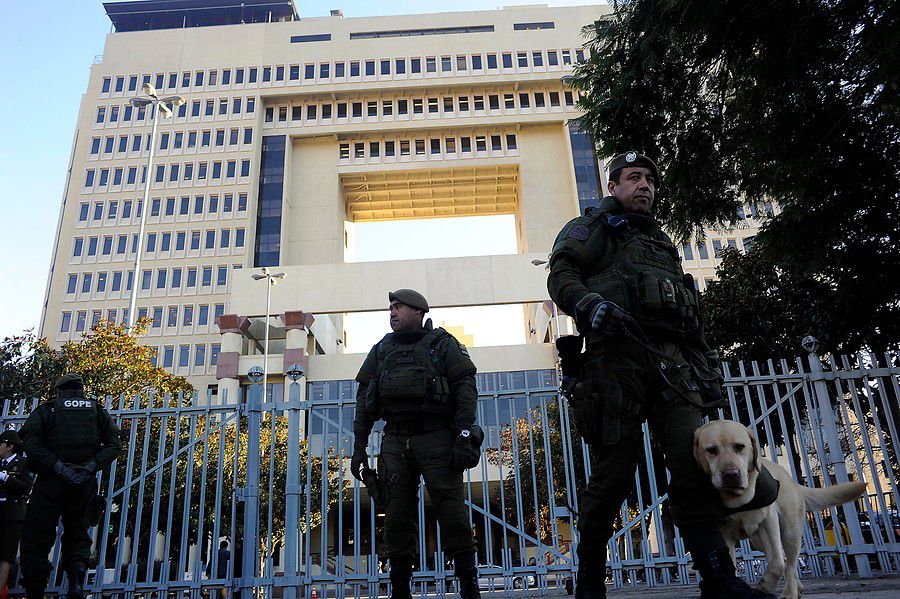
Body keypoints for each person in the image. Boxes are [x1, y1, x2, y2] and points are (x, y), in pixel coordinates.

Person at [548, 152, 778, 599]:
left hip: (672, 364)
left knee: (694, 470)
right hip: (616, 362)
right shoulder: (593, 227)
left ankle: (718, 578)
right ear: (612, 187)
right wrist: (591, 304)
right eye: (634, 178)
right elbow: (561, 275)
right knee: (612, 475)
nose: (645, 186)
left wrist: (705, 366)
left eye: (650, 179)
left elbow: (684, 312)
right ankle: (590, 578)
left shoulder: (660, 240)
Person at [351, 290, 483, 599]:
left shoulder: (442, 344)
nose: (392, 313)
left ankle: (469, 586)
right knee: (396, 516)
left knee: (452, 513)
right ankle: (400, 590)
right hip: (395, 441)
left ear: (418, 312)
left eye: (398, 307)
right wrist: (359, 447)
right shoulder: (381, 349)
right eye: (391, 308)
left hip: (437, 438)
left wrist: (464, 434)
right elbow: (364, 400)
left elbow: (466, 388)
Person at [18, 373, 122, 599]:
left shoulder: (48, 410)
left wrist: (59, 468)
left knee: (37, 536)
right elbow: (114, 445)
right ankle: (76, 584)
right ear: (81, 390)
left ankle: (35, 590)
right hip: (83, 482)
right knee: (78, 534)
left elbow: (29, 442)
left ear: (60, 390)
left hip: (51, 480)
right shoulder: (96, 410)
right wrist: (88, 467)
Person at [0, 430, 33, 599]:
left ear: (9, 446)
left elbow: (26, 487)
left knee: (6, 555)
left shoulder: (23, 463)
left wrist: (5, 478)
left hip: (13, 514)